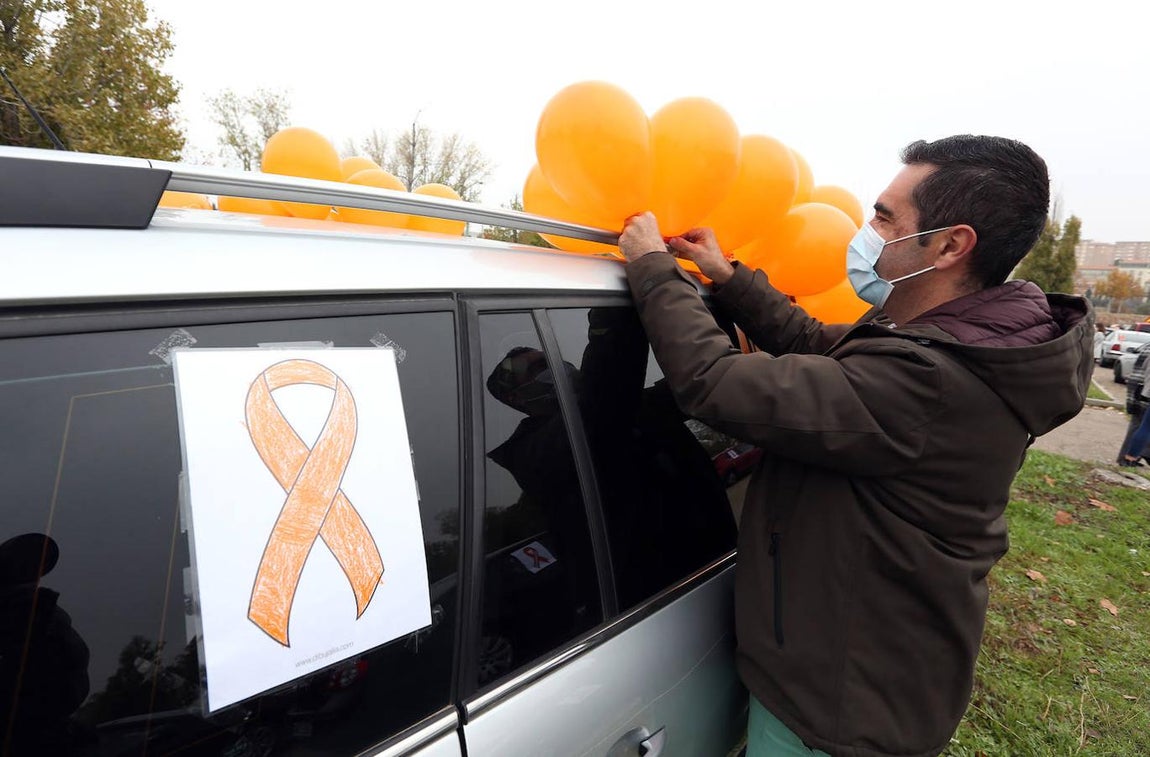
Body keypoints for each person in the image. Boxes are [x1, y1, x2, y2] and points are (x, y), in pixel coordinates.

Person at [617, 135, 1094, 757]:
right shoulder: (943, 338)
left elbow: (714, 382)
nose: (867, 231)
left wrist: (653, 269)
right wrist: (728, 279)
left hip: (838, 716)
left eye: (885, 217)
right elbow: (820, 343)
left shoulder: (929, 379)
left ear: (950, 245)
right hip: (866, 674)